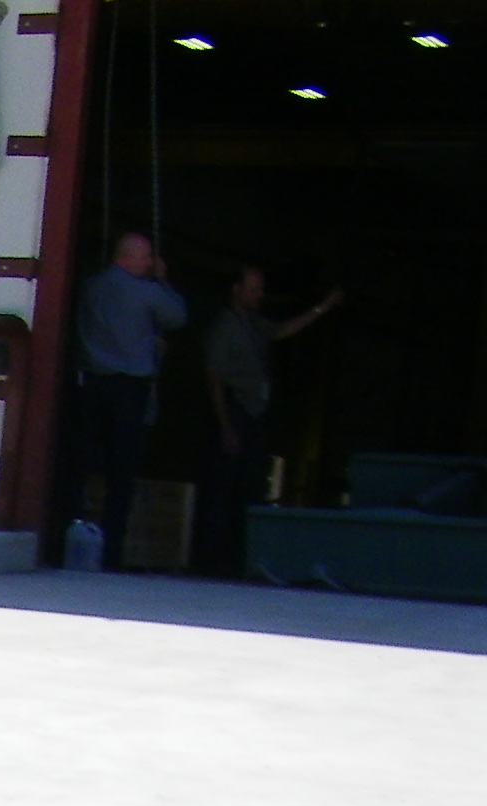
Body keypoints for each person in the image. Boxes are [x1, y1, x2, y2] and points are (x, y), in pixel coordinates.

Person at [197, 262, 342, 575]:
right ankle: (211, 560)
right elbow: (214, 378)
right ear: (237, 290)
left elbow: (282, 330)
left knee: (248, 488)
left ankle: (239, 559)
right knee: (222, 489)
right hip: (235, 412)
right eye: (253, 289)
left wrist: (322, 308)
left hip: (253, 414)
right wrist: (225, 427)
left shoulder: (253, 323)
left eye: (260, 289)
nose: (259, 295)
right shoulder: (225, 327)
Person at [72, 231, 185, 570]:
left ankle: (70, 535)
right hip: (129, 389)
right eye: (146, 256)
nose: (151, 262)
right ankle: (111, 552)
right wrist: (163, 280)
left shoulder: (91, 287)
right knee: (122, 470)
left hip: (91, 382)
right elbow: (178, 316)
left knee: (81, 461)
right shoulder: (146, 291)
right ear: (128, 256)